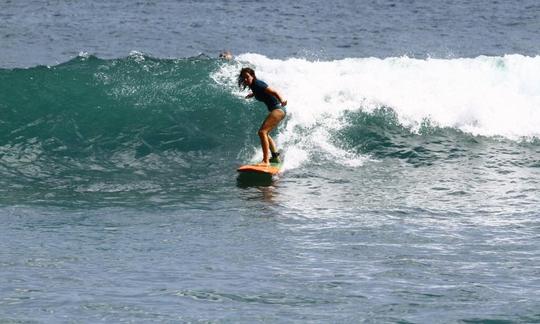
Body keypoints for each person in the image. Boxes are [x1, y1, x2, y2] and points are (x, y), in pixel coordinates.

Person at [238, 67, 287, 166]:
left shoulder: (257, 84)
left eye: (247, 77)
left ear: (253, 76)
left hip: (278, 109)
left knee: (262, 132)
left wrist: (282, 100)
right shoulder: (254, 86)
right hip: (276, 110)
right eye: (244, 78)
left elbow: (274, 92)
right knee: (265, 133)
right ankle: (275, 157)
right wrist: (252, 94)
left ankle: (266, 161)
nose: (246, 79)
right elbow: (260, 92)